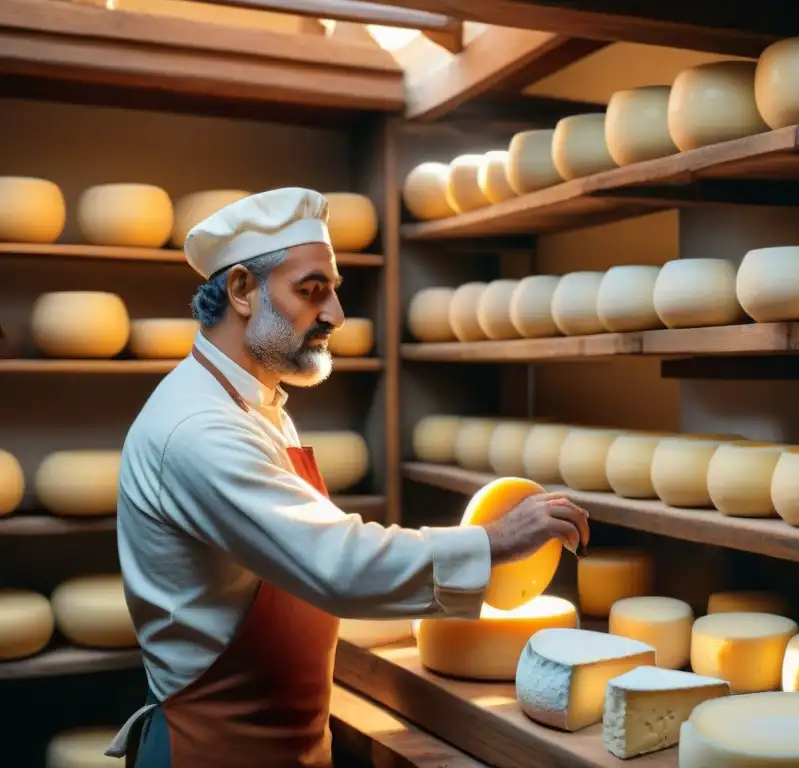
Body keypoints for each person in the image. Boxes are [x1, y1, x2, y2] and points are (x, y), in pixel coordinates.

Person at [105, 187, 590, 767]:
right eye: (312, 291)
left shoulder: (255, 406)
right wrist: (497, 542)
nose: (334, 314)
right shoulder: (199, 429)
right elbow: (334, 560)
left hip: (283, 740)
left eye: (334, 291)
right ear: (240, 290)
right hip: (214, 750)